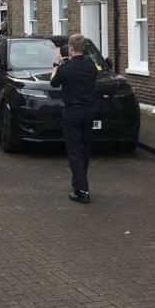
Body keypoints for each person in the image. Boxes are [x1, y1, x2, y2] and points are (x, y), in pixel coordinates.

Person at [49, 33, 98, 204]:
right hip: (88, 111)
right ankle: (79, 184)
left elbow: (53, 82)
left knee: (75, 151)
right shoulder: (92, 67)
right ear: (83, 48)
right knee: (85, 149)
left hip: (72, 112)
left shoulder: (66, 68)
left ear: (70, 48)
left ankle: (82, 190)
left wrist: (56, 64)